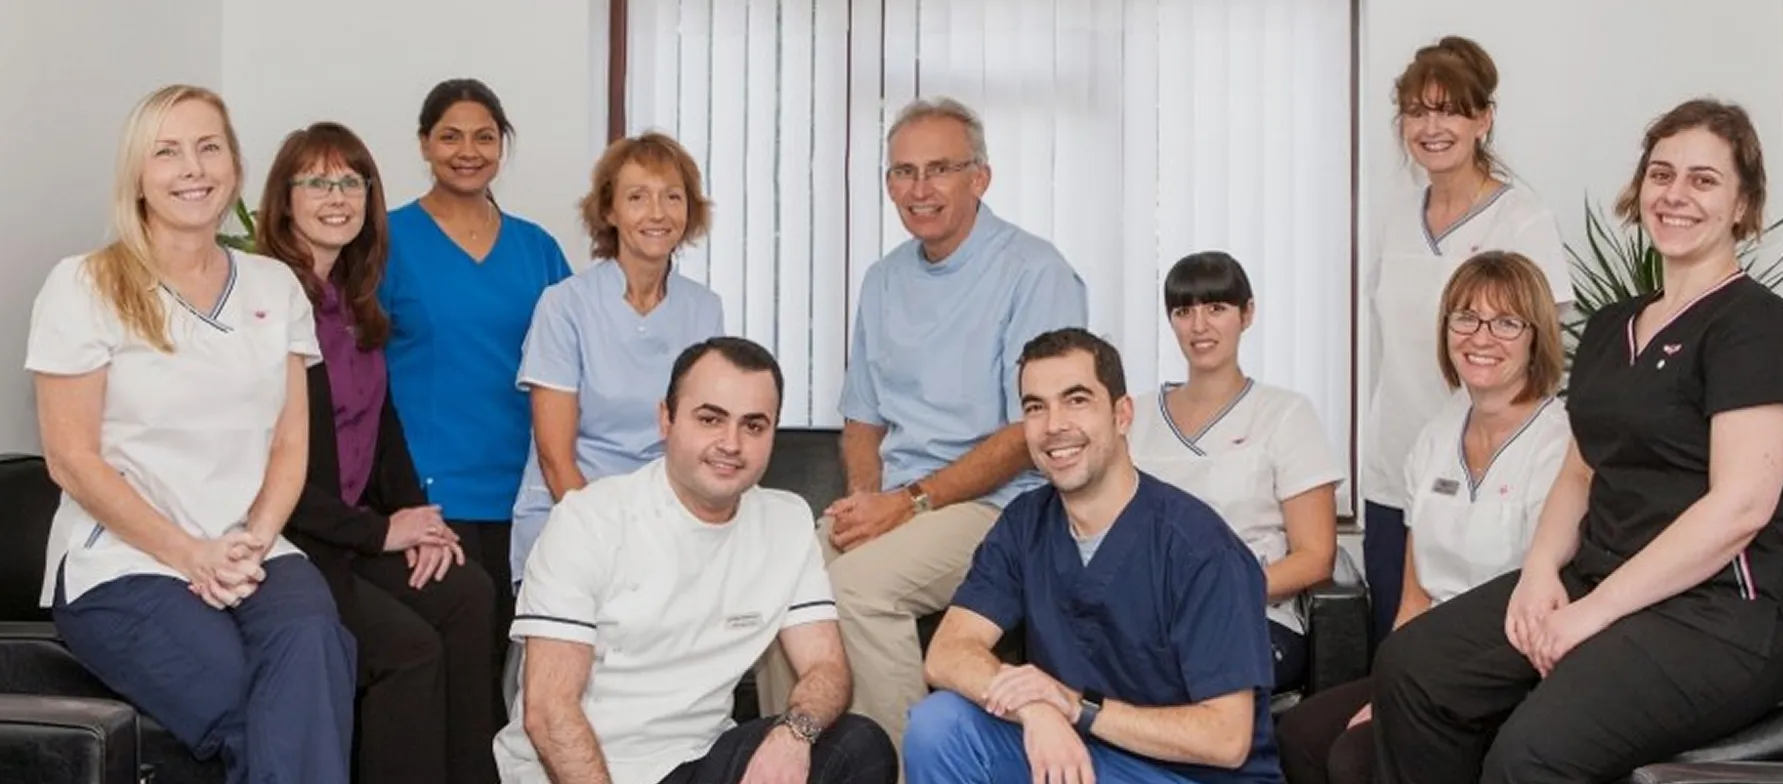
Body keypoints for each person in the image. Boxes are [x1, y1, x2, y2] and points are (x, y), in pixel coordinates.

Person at [1371, 100, 1783, 783]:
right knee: (1413, 669)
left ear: (1743, 204)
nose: (1675, 194)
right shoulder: (1614, 327)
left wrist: (1588, 617)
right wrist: (1542, 574)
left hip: (1727, 612)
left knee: (1531, 757)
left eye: (1703, 180)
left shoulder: (1758, 327)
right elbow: (1580, 472)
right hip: (1600, 576)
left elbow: (1740, 511)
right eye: (1661, 174)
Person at [26, 85, 354, 783]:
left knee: (319, 645)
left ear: (234, 165)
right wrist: (191, 555)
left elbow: (291, 445)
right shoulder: (84, 285)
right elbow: (71, 459)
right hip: (123, 562)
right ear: (138, 177)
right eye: (167, 152)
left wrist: (252, 540)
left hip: (252, 545)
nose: (192, 169)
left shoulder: (273, 287)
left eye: (209, 148)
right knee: (254, 703)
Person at [757, 95, 1089, 758]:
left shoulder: (1035, 272)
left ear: (980, 178)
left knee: (854, 590)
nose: (920, 189)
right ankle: (800, 764)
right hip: (906, 502)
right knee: (777, 582)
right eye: (903, 173)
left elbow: (1033, 429)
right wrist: (863, 501)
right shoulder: (883, 280)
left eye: (939, 169)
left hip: (1002, 509)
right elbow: (863, 417)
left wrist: (906, 504)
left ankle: (904, 771)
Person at [497, 337, 897, 784]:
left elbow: (827, 667)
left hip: (698, 761)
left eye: (754, 426)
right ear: (665, 419)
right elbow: (549, 713)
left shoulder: (786, 521)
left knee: (859, 744)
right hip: (585, 769)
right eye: (710, 419)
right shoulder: (589, 520)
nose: (731, 443)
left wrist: (794, 734)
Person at [906, 327, 1280, 783]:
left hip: (1187, 777)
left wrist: (1076, 709)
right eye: (1035, 407)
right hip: (1077, 757)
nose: (1054, 425)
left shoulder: (1200, 549)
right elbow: (947, 652)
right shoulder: (1026, 524)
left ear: (1122, 415)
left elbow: (1226, 738)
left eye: (1076, 400)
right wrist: (1037, 708)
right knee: (939, 726)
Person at [257, 121, 500, 784]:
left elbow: (383, 426)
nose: (337, 195)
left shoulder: (352, 301)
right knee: (408, 650)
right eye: (317, 181)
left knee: (469, 592)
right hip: (295, 545)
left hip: (350, 535)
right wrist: (378, 531)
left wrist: (418, 522)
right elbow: (265, 474)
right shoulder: (268, 304)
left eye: (351, 180)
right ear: (284, 201)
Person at [1273, 251, 1569, 784]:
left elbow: (1549, 602)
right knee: (1300, 734)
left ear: (1536, 336)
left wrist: (1400, 702)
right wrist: (1388, 689)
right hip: (1426, 661)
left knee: (1352, 759)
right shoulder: (1436, 433)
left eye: (1505, 322)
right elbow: (1414, 597)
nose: (1481, 337)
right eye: (1466, 318)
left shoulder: (1559, 445)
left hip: (1506, 664)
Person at [1363, 36, 1571, 648]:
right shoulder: (1399, 216)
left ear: (1484, 120)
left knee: (1479, 660)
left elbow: (1543, 353)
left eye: (1450, 110)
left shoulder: (1520, 219)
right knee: (1395, 659)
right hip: (1395, 474)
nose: (1432, 127)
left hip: (1491, 483)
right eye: (1418, 111)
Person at [378, 77, 573, 689]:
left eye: (485, 137)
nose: (468, 150)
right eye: (450, 136)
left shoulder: (537, 248)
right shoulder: (384, 240)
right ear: (423, 145)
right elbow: (357, 372)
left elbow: (571, 367)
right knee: (446, 671)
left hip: (524, 492)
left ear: (502, 146)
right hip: (429, 494)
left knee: (507, 672)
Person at [510, 130, 724, 583]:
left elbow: (705, 433)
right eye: (638, 197)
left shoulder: (704, 307)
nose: (658, 213)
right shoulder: (564, 305)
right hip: (572, 513)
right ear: (609, 210)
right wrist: (616, 541)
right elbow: (555, 459)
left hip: (669, 516)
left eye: (672, 196)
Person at [1128, 251, 1343, 692]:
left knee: (1182, 681)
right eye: (1184, 311)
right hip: (1144, 616)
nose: (1199, 325)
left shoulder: (1286, 415)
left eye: (1217, 308)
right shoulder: (1134, 417)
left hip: (1252, 617)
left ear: (1247, 314)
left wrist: (1218, 593)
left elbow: (1316, 556)